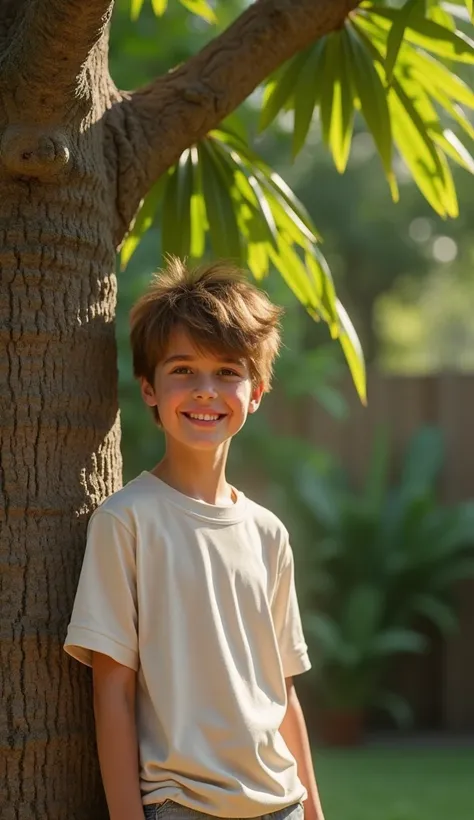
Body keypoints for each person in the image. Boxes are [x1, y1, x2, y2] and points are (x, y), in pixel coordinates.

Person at [64, 258, 325, 820]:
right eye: (182, 370)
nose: (205, 391)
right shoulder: (125, 522)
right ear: (150, 390)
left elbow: (282, 694)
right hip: (181, 805)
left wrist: (315, 810)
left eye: (227, 371)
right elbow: (112, 694)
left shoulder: (268, 534)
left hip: (283, 804)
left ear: (255, 392)